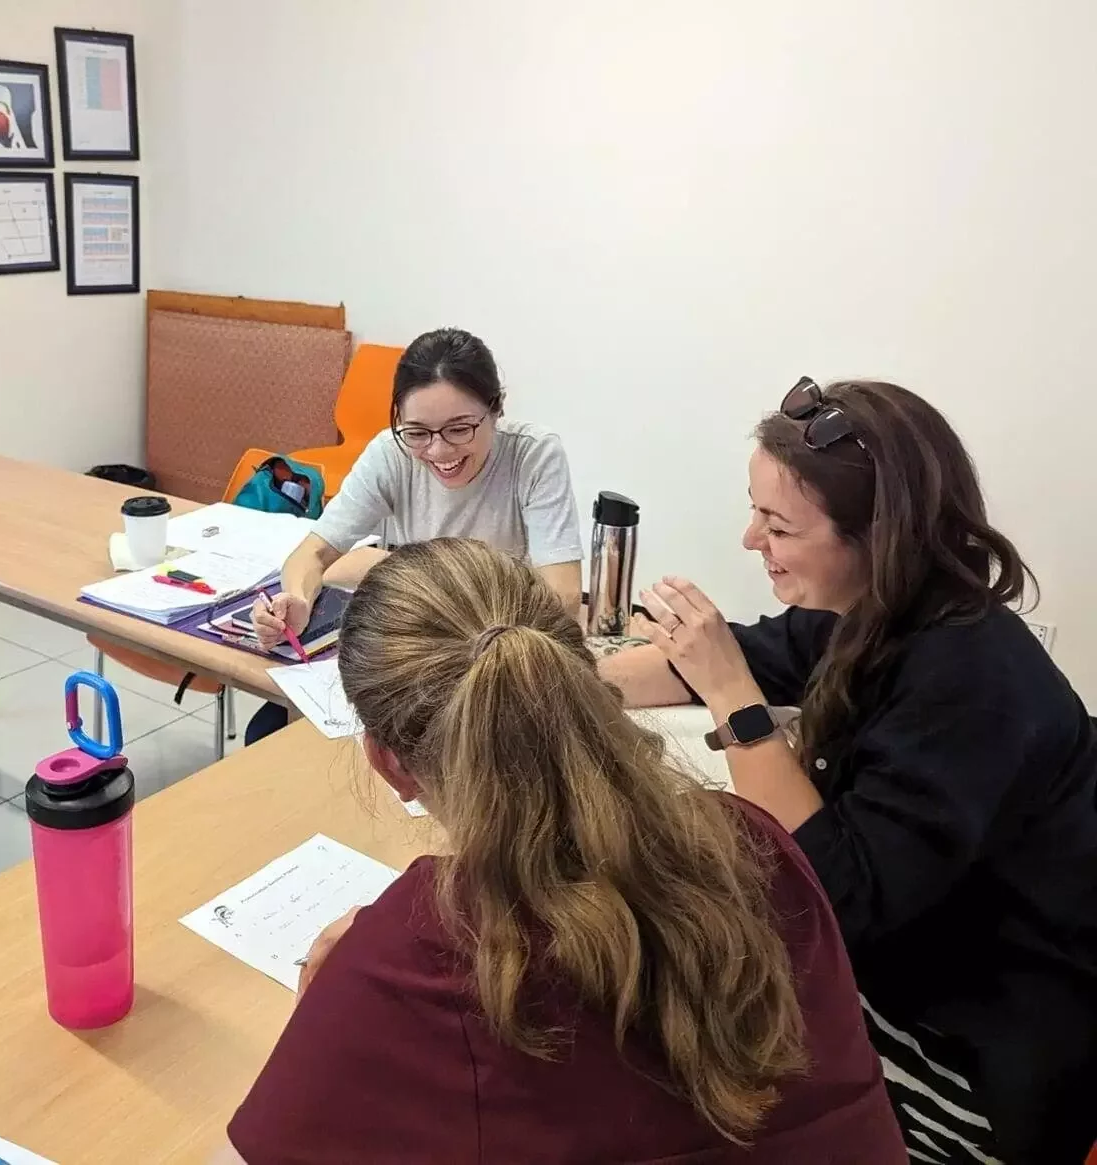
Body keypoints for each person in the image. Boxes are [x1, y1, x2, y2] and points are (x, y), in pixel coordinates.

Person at [219, 539, 903, 1163]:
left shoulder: (422, 957)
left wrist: (351, 1000)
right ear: (586, 684)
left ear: (389, 763)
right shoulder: (761, 847)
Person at [601, 379, 1097, 1163]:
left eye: (778, 524)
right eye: (754, 509)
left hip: (977, 1054)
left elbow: (832, 894)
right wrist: (567, 681)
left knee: (648, 1055)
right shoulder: (873, 610)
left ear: (877, 536)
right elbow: (739, 656)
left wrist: (732, 693)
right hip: (888, 962)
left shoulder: (973, 680)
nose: (749, 539)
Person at [245, 327, 583, 744]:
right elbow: (312, 555)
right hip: (416, 653)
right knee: (275, 734)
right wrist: (297, 599)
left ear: (496, 409)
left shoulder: (533, 455)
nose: (439, 452)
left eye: (460, 429)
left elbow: (563, 600)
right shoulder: (391, 452)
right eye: (418, 432)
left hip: (495, 660)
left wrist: (402, 572)